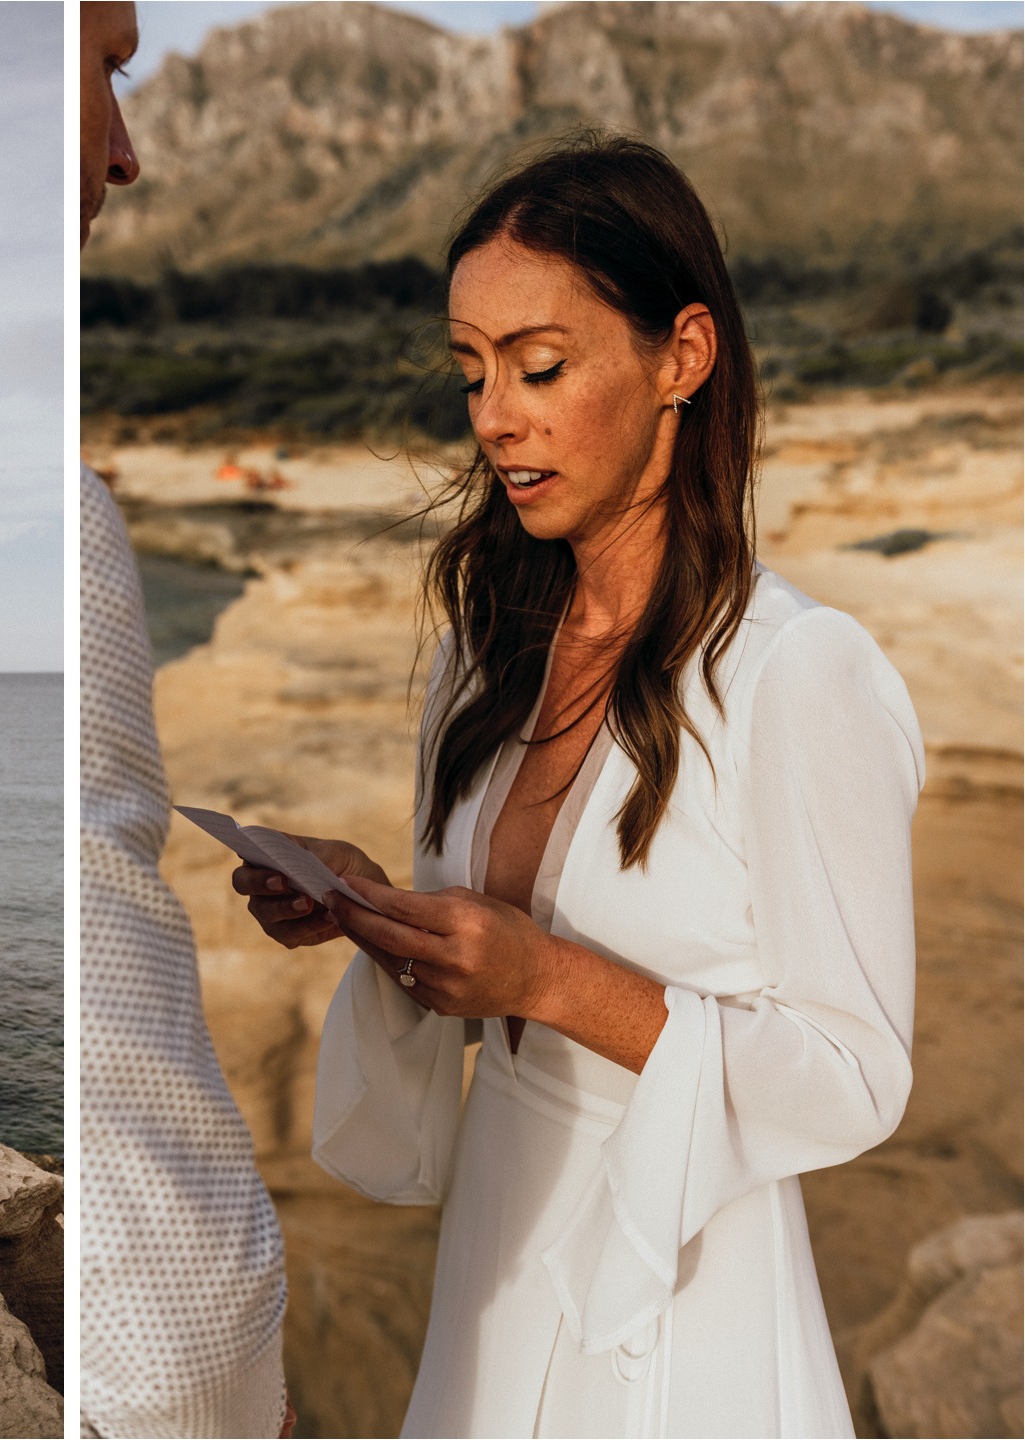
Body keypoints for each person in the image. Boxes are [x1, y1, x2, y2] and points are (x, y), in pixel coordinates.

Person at [233, 136, 921, 1436]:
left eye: (541, 366)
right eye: (472, 369)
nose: (496, 414)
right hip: (499, 1234)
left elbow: (854, 1071)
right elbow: (487, 975)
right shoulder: (482, 656)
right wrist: (375, 911)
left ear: (684, 357)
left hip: (688, 1281)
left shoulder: (796, 674)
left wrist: (549, 980)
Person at [79, 6, 292, 1436]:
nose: (127, 151)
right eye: (99, 70)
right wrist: (205, 1351)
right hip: (155, 1359)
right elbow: (106, 955)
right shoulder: (62, 519)